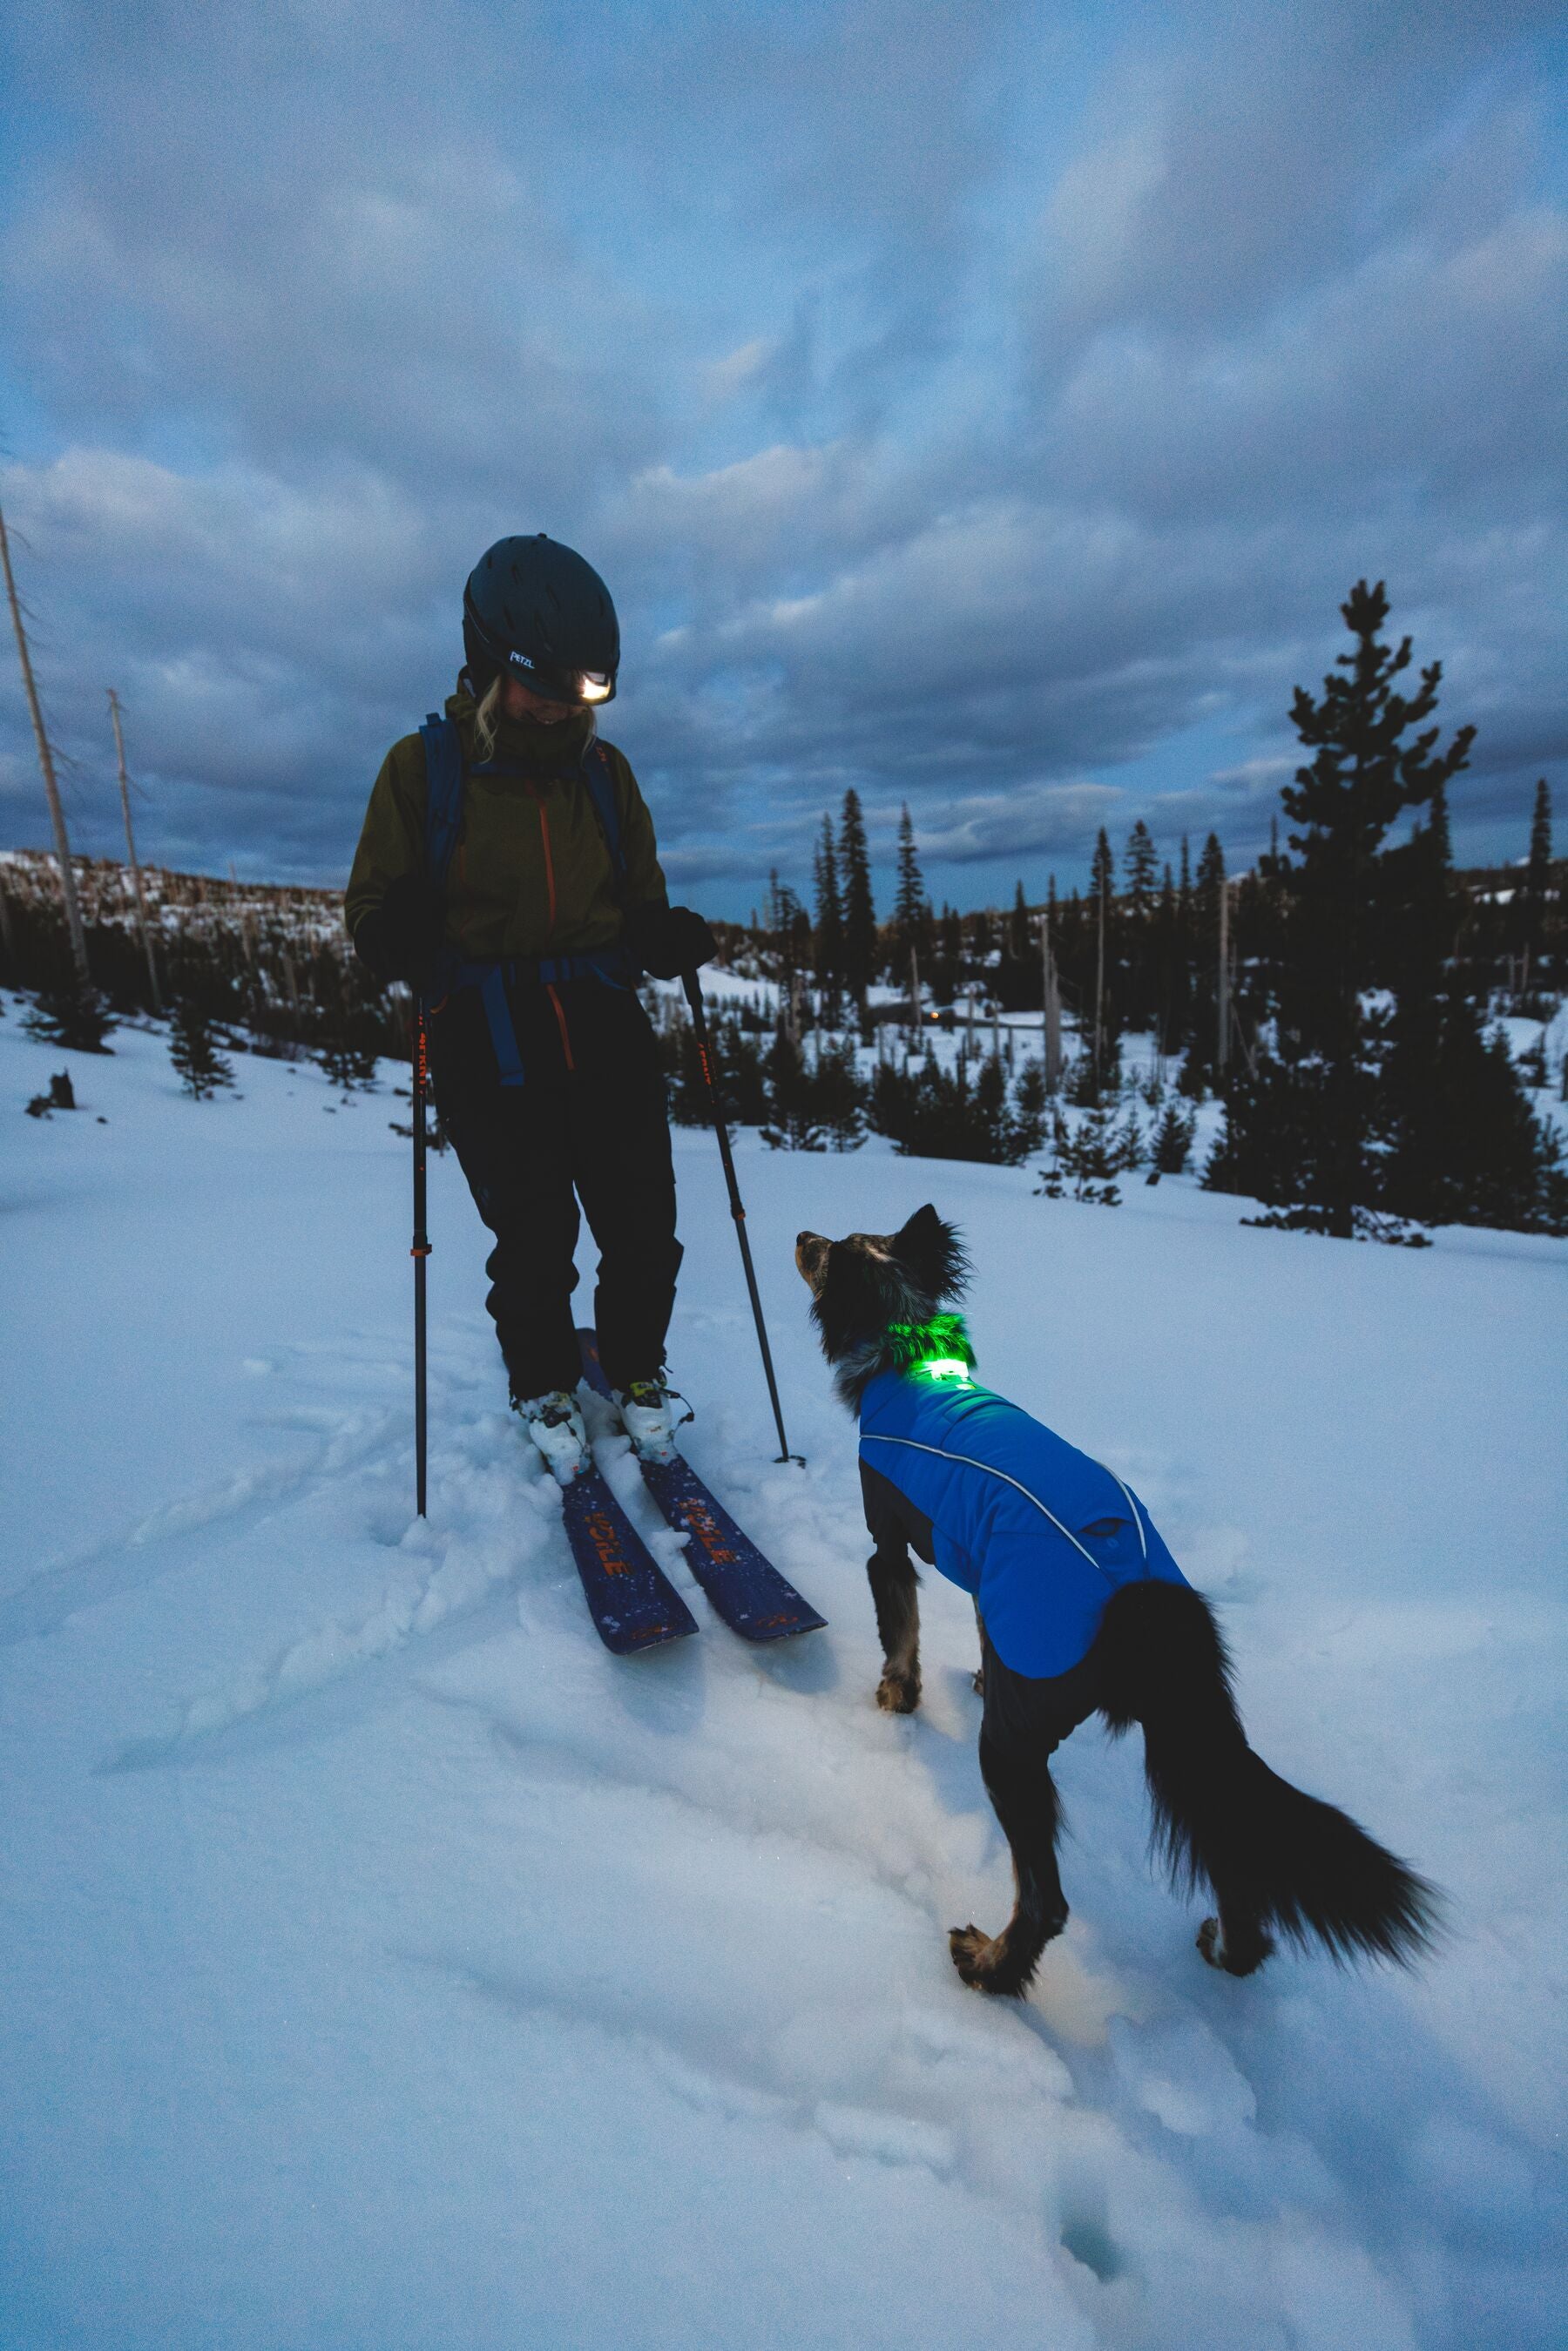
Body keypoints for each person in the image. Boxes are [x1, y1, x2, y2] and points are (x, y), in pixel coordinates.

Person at [345, 532, 716, 1483]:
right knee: (536, 1234)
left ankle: (636, 1371)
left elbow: (636, 905)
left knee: (644, 1225)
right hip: (485, 1034)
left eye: (581, 688)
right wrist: (400, 935)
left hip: (602, 1024)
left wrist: (659, 936)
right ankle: (544, 1383)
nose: (557, 705)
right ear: (487, 662)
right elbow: (373, 912)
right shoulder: (421, 770)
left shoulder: (605, 773)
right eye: (541, 683)